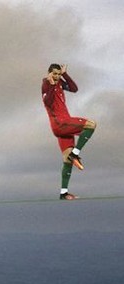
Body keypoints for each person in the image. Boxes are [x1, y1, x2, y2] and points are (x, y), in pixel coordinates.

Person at [42, 64, 97, 200]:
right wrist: (51, 84)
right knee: (91, 124)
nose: (57, 76)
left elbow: (74, 89)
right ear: (49, 73)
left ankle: (63, 193)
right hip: (60, 123)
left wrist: (65, 75)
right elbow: (48, 102)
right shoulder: (45, 84)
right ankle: (75, 154)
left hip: (64, 125)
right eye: (54, 74)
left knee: (66, 160)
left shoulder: (60, 82)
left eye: (59, 74)